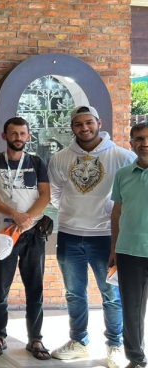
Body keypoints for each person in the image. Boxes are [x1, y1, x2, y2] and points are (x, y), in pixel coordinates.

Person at [48, 106, 134, 367]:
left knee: (112, 293)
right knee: (74, 293)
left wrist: (106, 214)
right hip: (70, 234)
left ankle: (115, 345)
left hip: (106, 236)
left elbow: (131, 197)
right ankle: (79, 342)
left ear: (99, 123)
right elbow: (54, 193)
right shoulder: (60, 158)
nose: (84, 128)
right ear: (72, 127)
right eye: (78, 124)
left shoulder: (122, 156)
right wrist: (73, 210)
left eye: (89, 123)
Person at [0, 117, 52, 360]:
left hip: (33, 234)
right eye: (13, 133)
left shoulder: (37, 162)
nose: (18, 138)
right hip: (3, 233)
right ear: (5, 136)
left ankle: (35, 338)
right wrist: (15, 215)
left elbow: (45, 195)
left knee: (35, 288)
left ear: (28, 136)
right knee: (0, 288)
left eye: (22, 133)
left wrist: (27, 219)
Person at [111, 122, 148, 368]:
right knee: (131, 310)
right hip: (128, 251)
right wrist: (113, 248)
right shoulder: (122, 175)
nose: (145, 143)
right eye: (139, 139)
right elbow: (116, 212)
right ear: (131, 144)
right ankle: (136, 359)